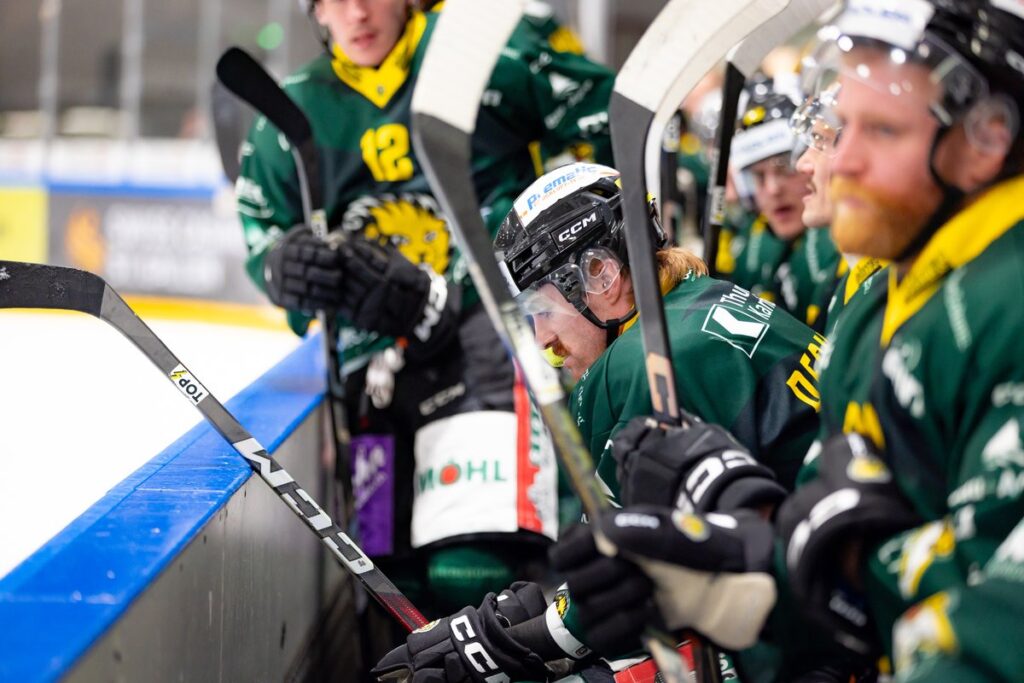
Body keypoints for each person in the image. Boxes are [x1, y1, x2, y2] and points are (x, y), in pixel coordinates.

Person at [553, 1, 1024, 681]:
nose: (825, 162)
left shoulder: (1002, 302)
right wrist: (752, 556)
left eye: (881, 129)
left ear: (985, 139)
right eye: (839, 127)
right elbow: (880, 546)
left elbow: (989, 621)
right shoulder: (883, 295)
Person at [235, 0, 616, 654]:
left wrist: (551, 230)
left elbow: (600, 123)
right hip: (374, 382)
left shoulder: (478, 46)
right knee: (391, 573)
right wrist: (283, 267)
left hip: (488, 349)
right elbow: (264, 238)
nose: (356, 12)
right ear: (314, 12)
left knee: (474, 567)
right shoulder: (287, 118)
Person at [372, 161, 828, 682]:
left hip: (811, 638)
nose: (542, 338)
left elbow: (632, 586)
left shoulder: (643, 361)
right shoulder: (696, 301)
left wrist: (500, 641)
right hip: (813, 597)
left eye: (541, 308)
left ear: (601, 275)